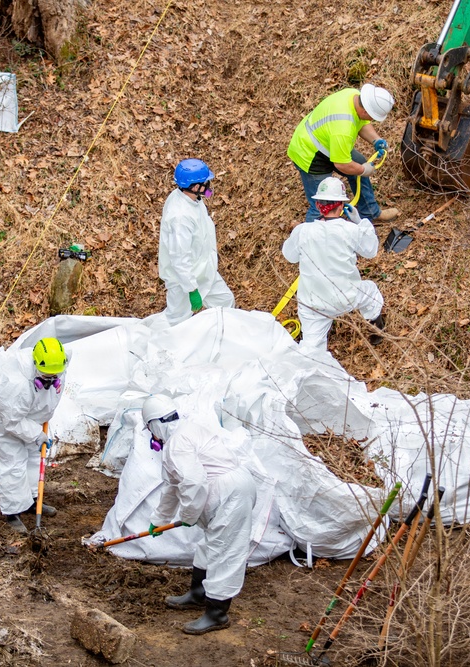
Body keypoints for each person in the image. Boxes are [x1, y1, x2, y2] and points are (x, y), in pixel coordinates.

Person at [142, 394, 257, 635]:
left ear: (154, 425)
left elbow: (194, 482)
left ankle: (217, 614)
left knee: (225, 550)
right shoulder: (181, 435)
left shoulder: (178, 442)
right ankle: (198, 594)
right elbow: (173, 485)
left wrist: (189, 515)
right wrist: (158, 520)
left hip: (231, 491)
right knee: (211, 545)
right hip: (226, 490)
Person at [282, 176, 385, 351]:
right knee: (371, 293)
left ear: (318, 205)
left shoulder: (302, 231)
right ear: (341, 206)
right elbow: (371, 250)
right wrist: (361, 222)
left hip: (313, 303)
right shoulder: (350, 230)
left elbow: (289, 256)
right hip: (346, 297)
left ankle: (311, 360)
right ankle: (377, 331)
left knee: (311, 348)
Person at [0, 337, 69, 534]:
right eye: (47, 376)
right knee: (12, 462)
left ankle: (32, 500)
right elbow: (12, 421)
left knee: (33, 457)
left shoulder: (58, 362)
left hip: (33, 414)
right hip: (7, 416)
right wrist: (35, 433)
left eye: (55, 375)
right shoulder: (15, 384)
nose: (52, 378)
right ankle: (12, 511)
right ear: (36, 364)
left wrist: (39, 426)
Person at [287, 83, 400, 224]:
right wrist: (363, 170)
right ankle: (311, 234)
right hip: (309, 152)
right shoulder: (343, 126)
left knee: (359, 164)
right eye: (372, 117)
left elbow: (362, 122)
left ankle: (370, 213)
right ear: (366, 111)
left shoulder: (353, 96)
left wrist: (376, 140)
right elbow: (342, 164)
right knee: (323, 203)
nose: (371, 120)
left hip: (327, 140)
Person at [158, 158, 236, 326]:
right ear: (194, 187)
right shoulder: (180, 217)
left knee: (225, 302)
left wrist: (206, 193)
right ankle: (165, 341)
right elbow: (179, 258)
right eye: (205, 183)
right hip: (183, 280)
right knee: (177, 321)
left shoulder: (192, 198)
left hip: (204, 270)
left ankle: (223, 337)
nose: (208, 185)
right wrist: (192, 290)